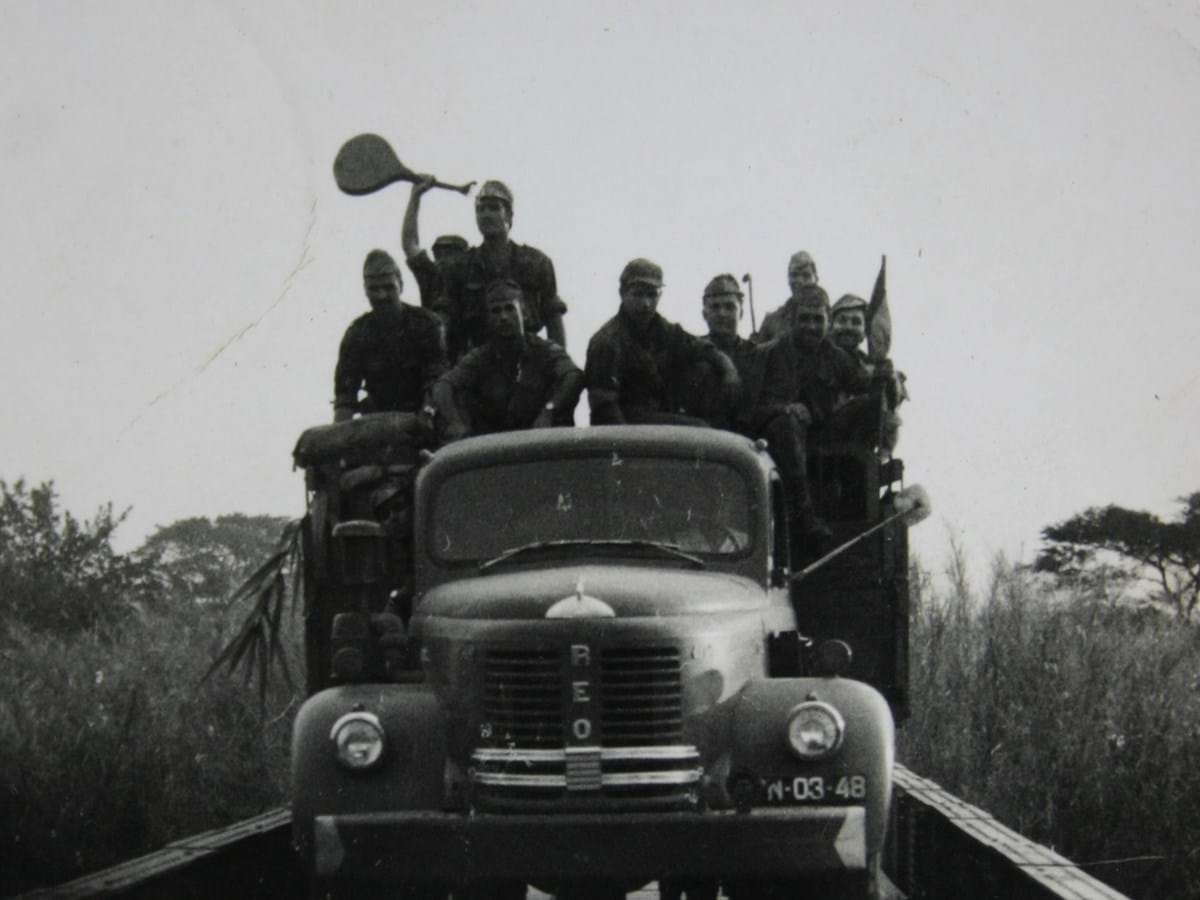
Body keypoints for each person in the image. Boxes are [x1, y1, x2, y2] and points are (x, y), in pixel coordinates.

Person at [757, 289, 883, 543]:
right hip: (778, 439)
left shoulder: (835, 356)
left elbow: (863, 383)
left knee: (871, 405)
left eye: (818, 319)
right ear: (793, 320)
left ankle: (860, 508)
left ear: (827, 320)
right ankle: (803, 516)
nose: (811, 327)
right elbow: (754, 409)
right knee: (788, 424)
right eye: (805, 319)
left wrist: (887, 375)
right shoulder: (771, 354)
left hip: (819, 434)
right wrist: (787, 409)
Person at [585, 258, 741, 425]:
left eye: (652, 295)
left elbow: (698, 347)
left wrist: (728, 367)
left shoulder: (660, 328)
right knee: (700, 432)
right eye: (638, 294)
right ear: (622, 293)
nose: (646, 303)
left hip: (657, 422)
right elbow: (605, 409)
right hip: (624, 430)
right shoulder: (607, 342)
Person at [431, 278, 583, 441]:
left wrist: (549, 410)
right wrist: (455, 422)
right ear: (488, 319)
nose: (503, 317)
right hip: (495, 447)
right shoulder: (480, 358)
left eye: (510, 309)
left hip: (541, 442)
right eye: (495, 311)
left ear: (523, 313)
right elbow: (443, 386)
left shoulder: (545, 350)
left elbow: (573, 375)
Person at [436, 179, 567, 362]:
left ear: (509, 215)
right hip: (478, 361)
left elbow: (553, 318)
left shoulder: (536, 262)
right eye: (480, 210)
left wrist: (558, 364)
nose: (486, 215)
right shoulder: (460, 267)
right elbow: (445, 320)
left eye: (494, 208)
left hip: (528, 358)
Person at [332, 249, 447, 423]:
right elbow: (345, 397)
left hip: (428, 412)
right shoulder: (357, 334)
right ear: (365, 291)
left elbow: (436, 382)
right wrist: (338, 434)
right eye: (374, 289)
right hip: (380, 419)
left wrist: (427, 414)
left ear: (400, 285)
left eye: (388, 287)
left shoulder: (426, 324)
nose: (381, 296)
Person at [679, 273, 776, 434]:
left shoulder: (757, 356)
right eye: (715, 307)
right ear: (705, 314)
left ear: (741, 313)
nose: (722, 313)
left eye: (730, 307)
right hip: (699, 439)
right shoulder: (690, 353)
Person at [830, 292, 907, 454]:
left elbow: (891, 404)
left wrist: (891, 379)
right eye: (842, 321)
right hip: (825, 432)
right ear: (831, 325)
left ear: (865, 332)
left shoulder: (868, 363)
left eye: (856, 322)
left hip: (860, 439)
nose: (848, 327)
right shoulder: (822, 355)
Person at [400, 175, 468, 309]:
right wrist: (415, 197)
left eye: (449, 253)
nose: (442, 259)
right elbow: (409, 242)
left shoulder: (475, 276)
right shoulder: (433, 278)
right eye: (438, 254)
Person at [753, 250, 825, 344]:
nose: (799, 281)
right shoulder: (772, 320)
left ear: (816, 279)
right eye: (794, 275)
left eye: (806, 275)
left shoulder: (829, 318)